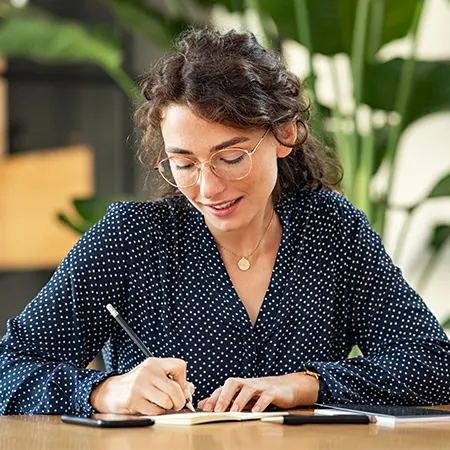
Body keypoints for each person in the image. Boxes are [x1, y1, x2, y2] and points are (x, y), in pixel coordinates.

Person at [1, 27, 449, 417]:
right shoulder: (130, 238)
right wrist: (103, 390)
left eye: (231, 157)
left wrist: (306, 384)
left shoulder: (331, 229)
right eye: (184, 163)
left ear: (284, 135)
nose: (208, 188)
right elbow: (11, 368)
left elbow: (433, 363)